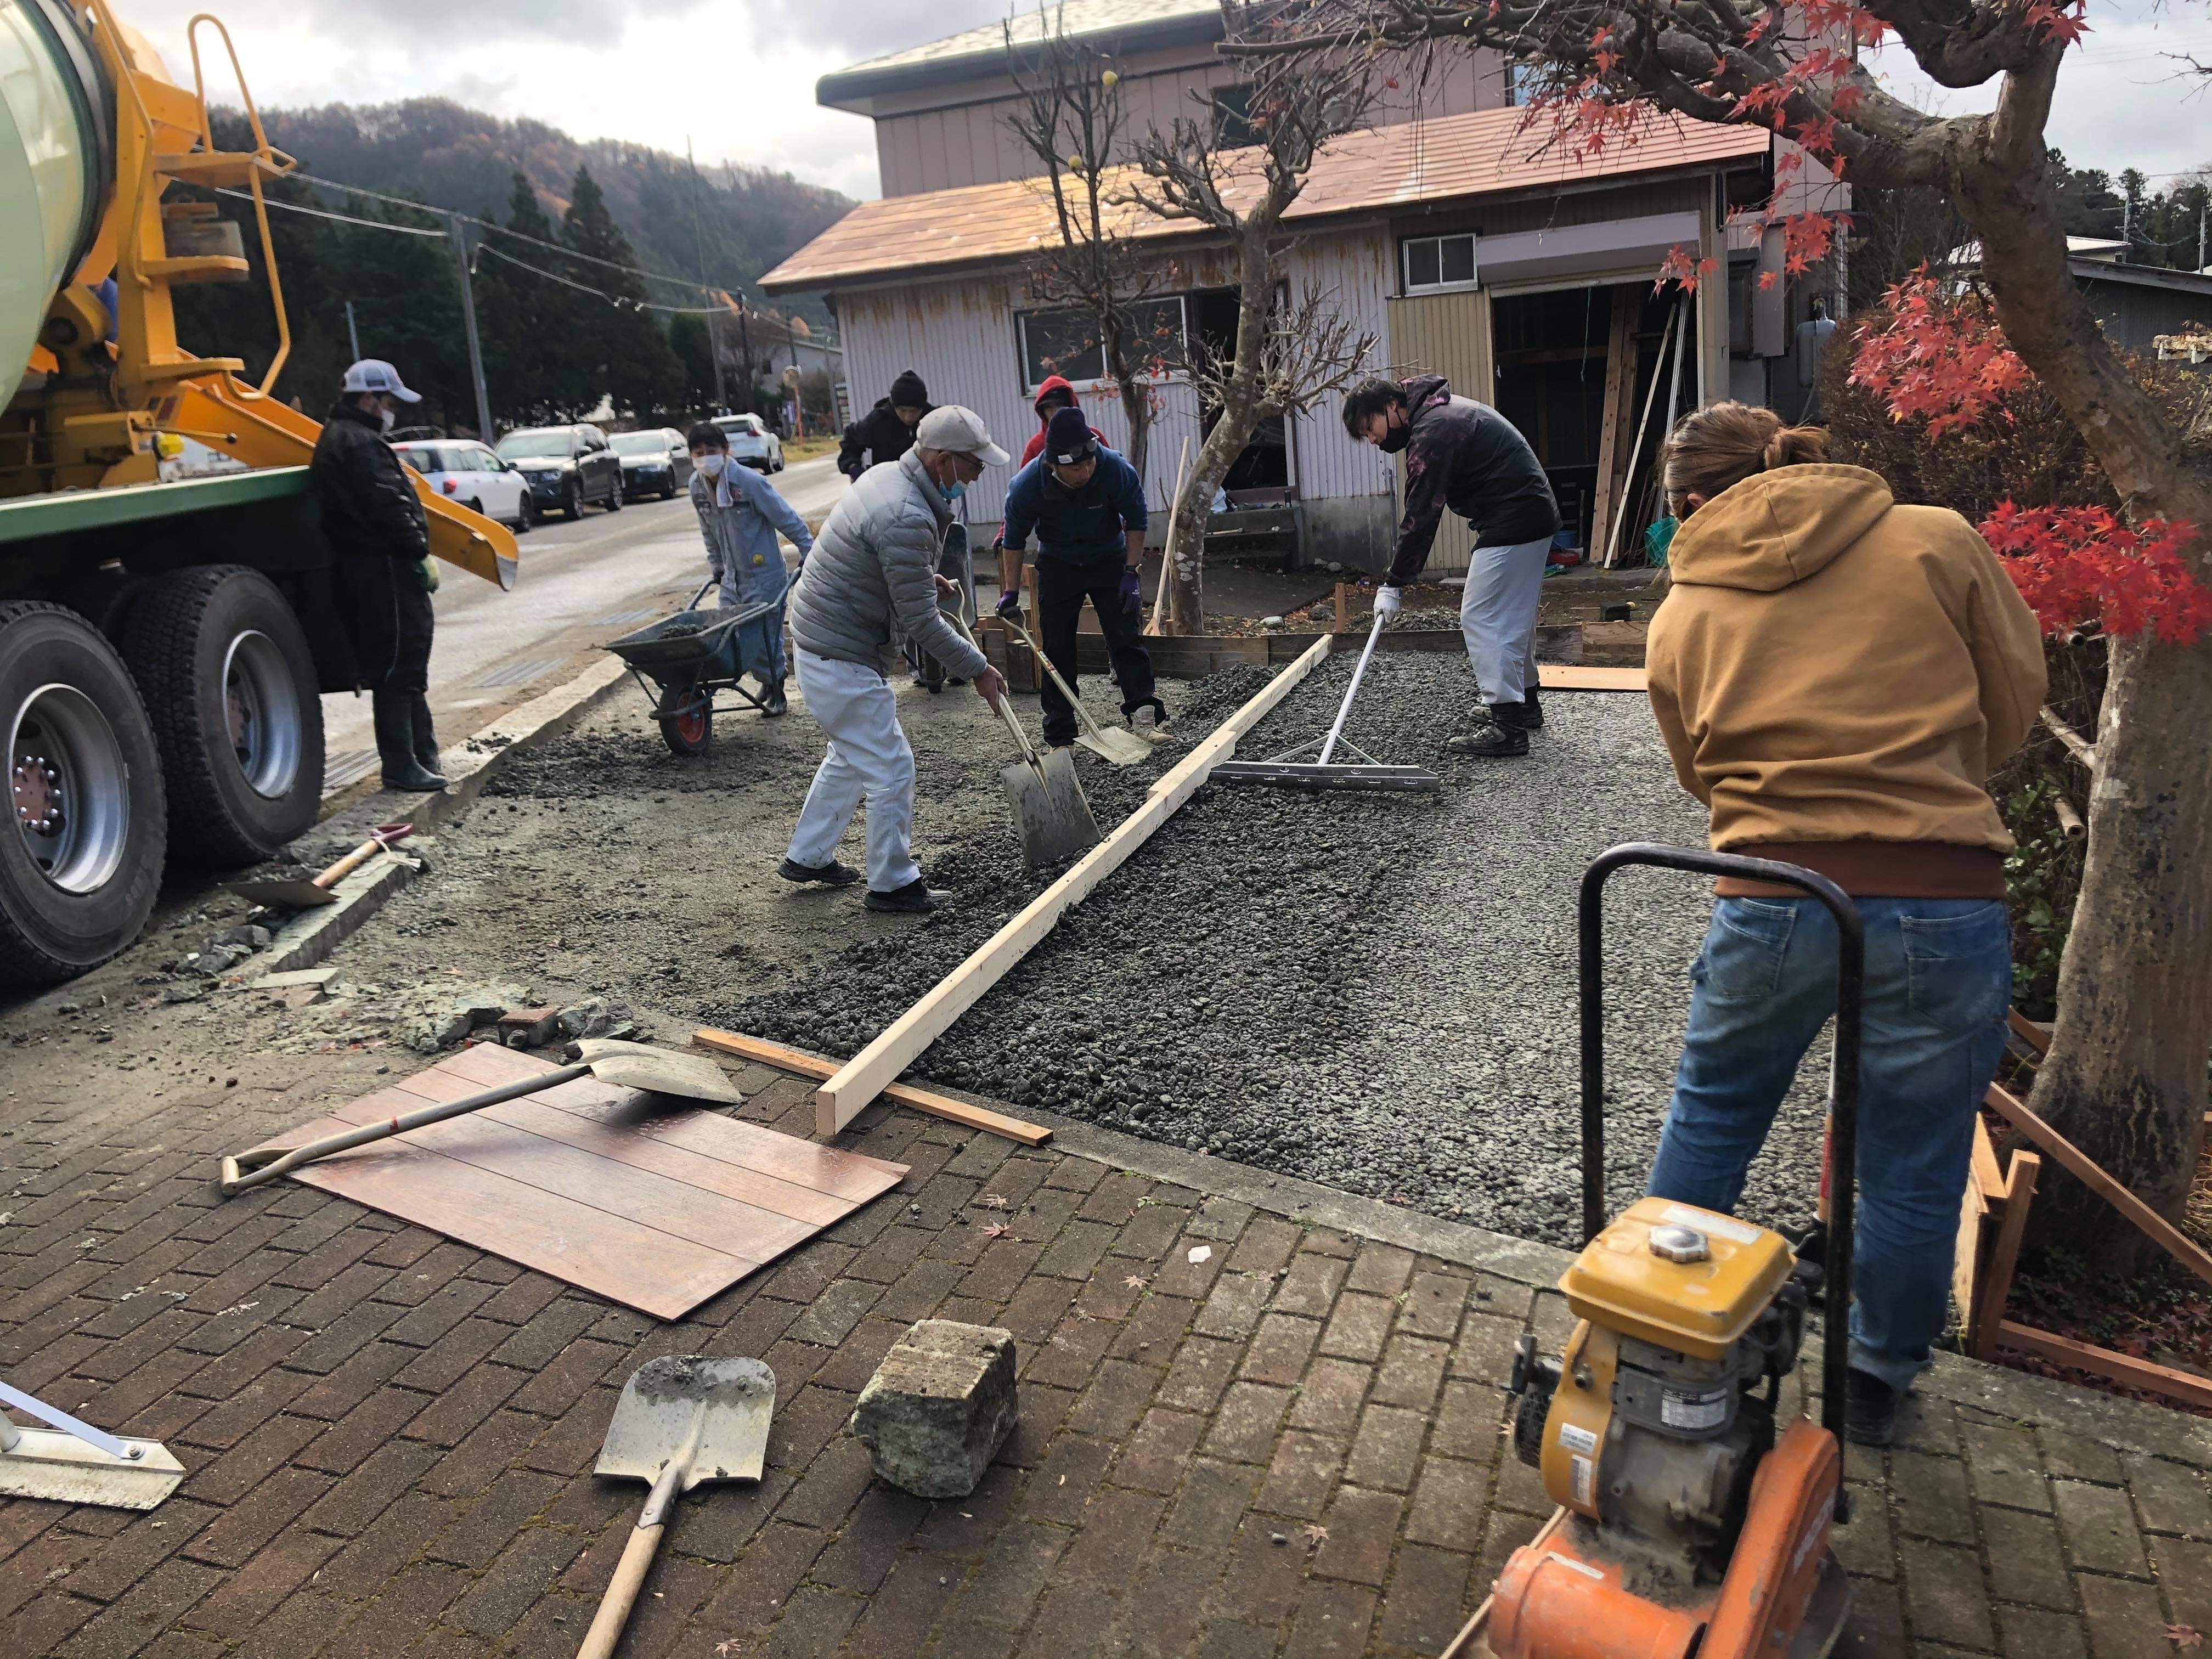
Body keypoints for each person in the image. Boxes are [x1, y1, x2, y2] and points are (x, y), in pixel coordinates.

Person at [1640, 402, 2046, 1447]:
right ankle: (1873, 1376)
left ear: (1689, 500)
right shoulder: (1934, 539)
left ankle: (1665, 1341)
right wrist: (1931, 782)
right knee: (1913, 1156)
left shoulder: (1683, 609)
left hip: (1772, 896)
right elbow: (2012, 692)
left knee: (1714, 1114)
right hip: (1941, 890)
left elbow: (1698, 769)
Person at [783, 406, 1011, 914]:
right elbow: (924, 625)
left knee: (851, 754)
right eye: (973, 466)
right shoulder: (906, 513)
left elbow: (868, 559)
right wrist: (978, 668)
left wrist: (919, 579)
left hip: (821, 638)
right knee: (891, 765)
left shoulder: (888, 475)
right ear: (943, 460)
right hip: (838, 651)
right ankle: (892, 884)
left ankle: (808, 855)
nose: (976, 477)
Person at [1342, 375, 1560, 757]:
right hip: (1527, 513)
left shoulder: (1436, 429)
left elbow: (1421, 513)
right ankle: (1523, 706)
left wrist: (1394, 583)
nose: (1374, 441)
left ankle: (1507, 727)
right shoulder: (1441, 414)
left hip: (1515, 518)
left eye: (1370, 429)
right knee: (1512, 617)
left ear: (1391, 407)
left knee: (1482, 616)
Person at [310, 359, 444, 792]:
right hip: (383, 570)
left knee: (406, 666)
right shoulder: (360, 443)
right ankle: (402, 764)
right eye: (389, 402)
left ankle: (423, 755)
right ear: (368, 399)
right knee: (398, 665)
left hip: (374, 568)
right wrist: (417, 550)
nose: (393, 412)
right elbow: (387, 505)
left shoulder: (345, 437)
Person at [995, 406, 1164, 748]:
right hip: (1059, 562)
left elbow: (1136, 520)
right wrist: (1011, 592)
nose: (1085, 472)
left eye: (1089, 463)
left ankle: (1144, 715)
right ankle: (1061, 732)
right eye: (1075, 467)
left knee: (1125, 636)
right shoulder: (1027, 485)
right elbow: (1013, 541)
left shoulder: (1114, 468)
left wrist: (1132, 573)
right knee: (1057, 646)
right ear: (1053, 464)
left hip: (1109, 557)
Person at [687, 421, 814, 715]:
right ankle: (765, 682)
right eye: (699, 453)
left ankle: (778, 689)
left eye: (712, 451)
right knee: (733, 635)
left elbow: (784, 516)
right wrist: (716, 565)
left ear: (726, 451)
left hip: (764, 574)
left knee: (767, 634)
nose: (706, 458)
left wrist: (808, 548)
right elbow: (708, 531)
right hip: (732, 577)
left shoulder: (748, 482)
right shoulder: (697, 486)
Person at [837, 368, 932, 481]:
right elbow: (851, 439)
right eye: (902, 411)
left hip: (926, 485)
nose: (908, 417)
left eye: (914, 411)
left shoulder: (933, 420)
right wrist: (853, 467)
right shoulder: (878, 421)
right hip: (887, 484)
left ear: (922, 407)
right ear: (894, 406)